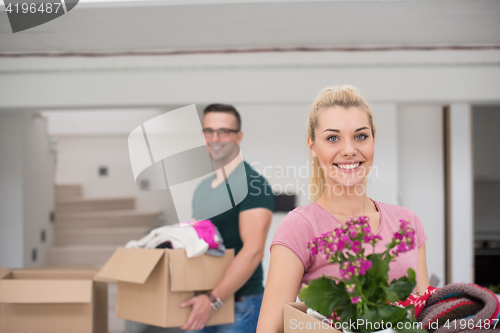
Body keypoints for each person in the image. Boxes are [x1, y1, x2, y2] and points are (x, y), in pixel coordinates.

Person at [256, 85, 430, 333]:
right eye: (332, 138)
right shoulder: (301, 226)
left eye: (360, 136)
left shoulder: (407, 222)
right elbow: (269, 330)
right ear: (313, 147)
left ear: (373, 141)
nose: (349, 150)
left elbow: (424, 313)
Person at [181, 104, 274, 332]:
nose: (215, 138)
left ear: (238, 136)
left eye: (223, 131)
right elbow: (198, 244)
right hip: (204, 302)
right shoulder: (203, 188)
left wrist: (214, 299)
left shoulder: (253, 184)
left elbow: (253, 252)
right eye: (208, 131)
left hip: (239, 306)